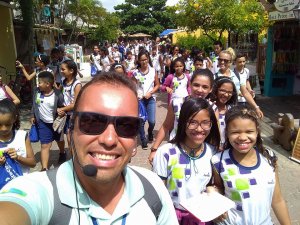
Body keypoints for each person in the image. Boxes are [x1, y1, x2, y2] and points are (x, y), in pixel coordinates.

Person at [0, 72, 179, 225]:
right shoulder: (38, 191)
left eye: (126, 125)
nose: (109, 139)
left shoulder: (152, 187)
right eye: (92, 122)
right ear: (71, 131)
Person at [211, 105, 291, 225]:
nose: (242, 137)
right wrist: (212, 193)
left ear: (257, 131)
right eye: (235, 132)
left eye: (249, 131)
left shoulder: (268, 158)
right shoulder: (218, 161)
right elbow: (219, 188)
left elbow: (277, 200)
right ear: (227, 132)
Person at [153, 97, 220, 224]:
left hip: (203, 217)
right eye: (192, 122)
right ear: (183, 123)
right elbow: (158, 191)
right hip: (172, 216)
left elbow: (217, 186)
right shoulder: (166, 153)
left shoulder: (214, 153)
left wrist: (214, 190)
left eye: (205, 122)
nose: (199, 129)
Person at [149, 69, 214, 163]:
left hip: (200, 154)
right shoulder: (176, 103)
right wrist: (154, 150)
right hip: (176, 149)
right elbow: (166, 126)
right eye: (196, 85)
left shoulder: (213, 108)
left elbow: (214, 134)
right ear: (190, 84)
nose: (200, 90)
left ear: (210, 89)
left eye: (205, 87)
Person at [31, 71, 65, 171]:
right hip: (43, 123)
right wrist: (33, 115)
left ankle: (62, 153)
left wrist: (61, 112)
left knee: (59, 140)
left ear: (48, 84)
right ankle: (44, 168)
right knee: (45, 145)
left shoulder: (58, 94)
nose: (38, 85)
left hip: (56, 123)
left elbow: (62, 106)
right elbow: (34, 104)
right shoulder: (36, 91)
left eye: (40, 82)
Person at [215, 50, 263, 118]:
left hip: (233, 111)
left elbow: (245, 92)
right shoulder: (214, 77)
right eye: (220, 60)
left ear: (230, 62)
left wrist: (256, 107)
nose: (222, 62)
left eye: (225, 60)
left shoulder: (236, 76)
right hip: (218, 112)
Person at [0, 99, 36, 175]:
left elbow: (33, 163)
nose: (3, 129)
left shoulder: (22, 136)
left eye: (8, 124)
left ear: (14, 119)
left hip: (21, 184)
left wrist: (18, 157)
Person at [132, 50, 160, 149]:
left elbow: (157, 85)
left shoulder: (153, 70)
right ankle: (143, 140)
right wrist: (136, 95)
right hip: (140, 100)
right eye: (142, 60)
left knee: (152, 121)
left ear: (148, 59)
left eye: (146, 59)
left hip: (150, 98)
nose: (144, 62)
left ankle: (150, 132)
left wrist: (151, 93)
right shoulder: (135, 72)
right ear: (138, 61)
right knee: (141, 121)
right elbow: (133, 85)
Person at [57, 60, 82, 160]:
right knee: (67, 138)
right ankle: (73, 159)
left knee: (71, 138)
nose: (61, 71)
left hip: (73, 115)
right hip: (65, 114)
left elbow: (75, 104)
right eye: (61, 69)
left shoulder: (77, 84)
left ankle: (75, 160)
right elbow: (59, 93)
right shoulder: (63, 81)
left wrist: (62, 109)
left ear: (71, 71)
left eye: (63, 69)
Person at [210, 76, 238, 150]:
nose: (226, 95)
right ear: (215, 90)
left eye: (230, 92)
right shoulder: (208, 108)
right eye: (222, 90)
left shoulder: (232, 110)